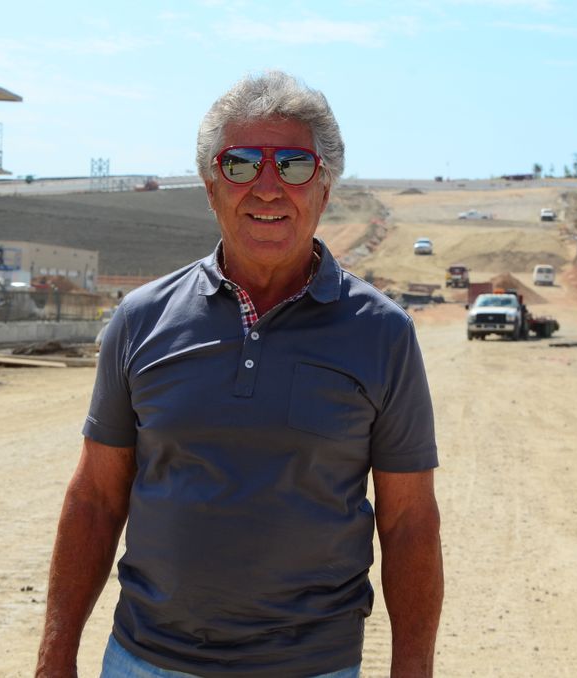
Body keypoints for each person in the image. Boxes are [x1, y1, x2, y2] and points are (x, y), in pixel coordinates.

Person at [36, 71, 443, 678]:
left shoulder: (383, 333)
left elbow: (409, 522)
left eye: (295, 165)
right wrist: (54, 656)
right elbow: (94, 498)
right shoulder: (141, 319)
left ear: (325, 190)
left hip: (313, 667)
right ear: (210, 187)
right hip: (145, 662)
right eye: (242, 163)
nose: (268, 187)